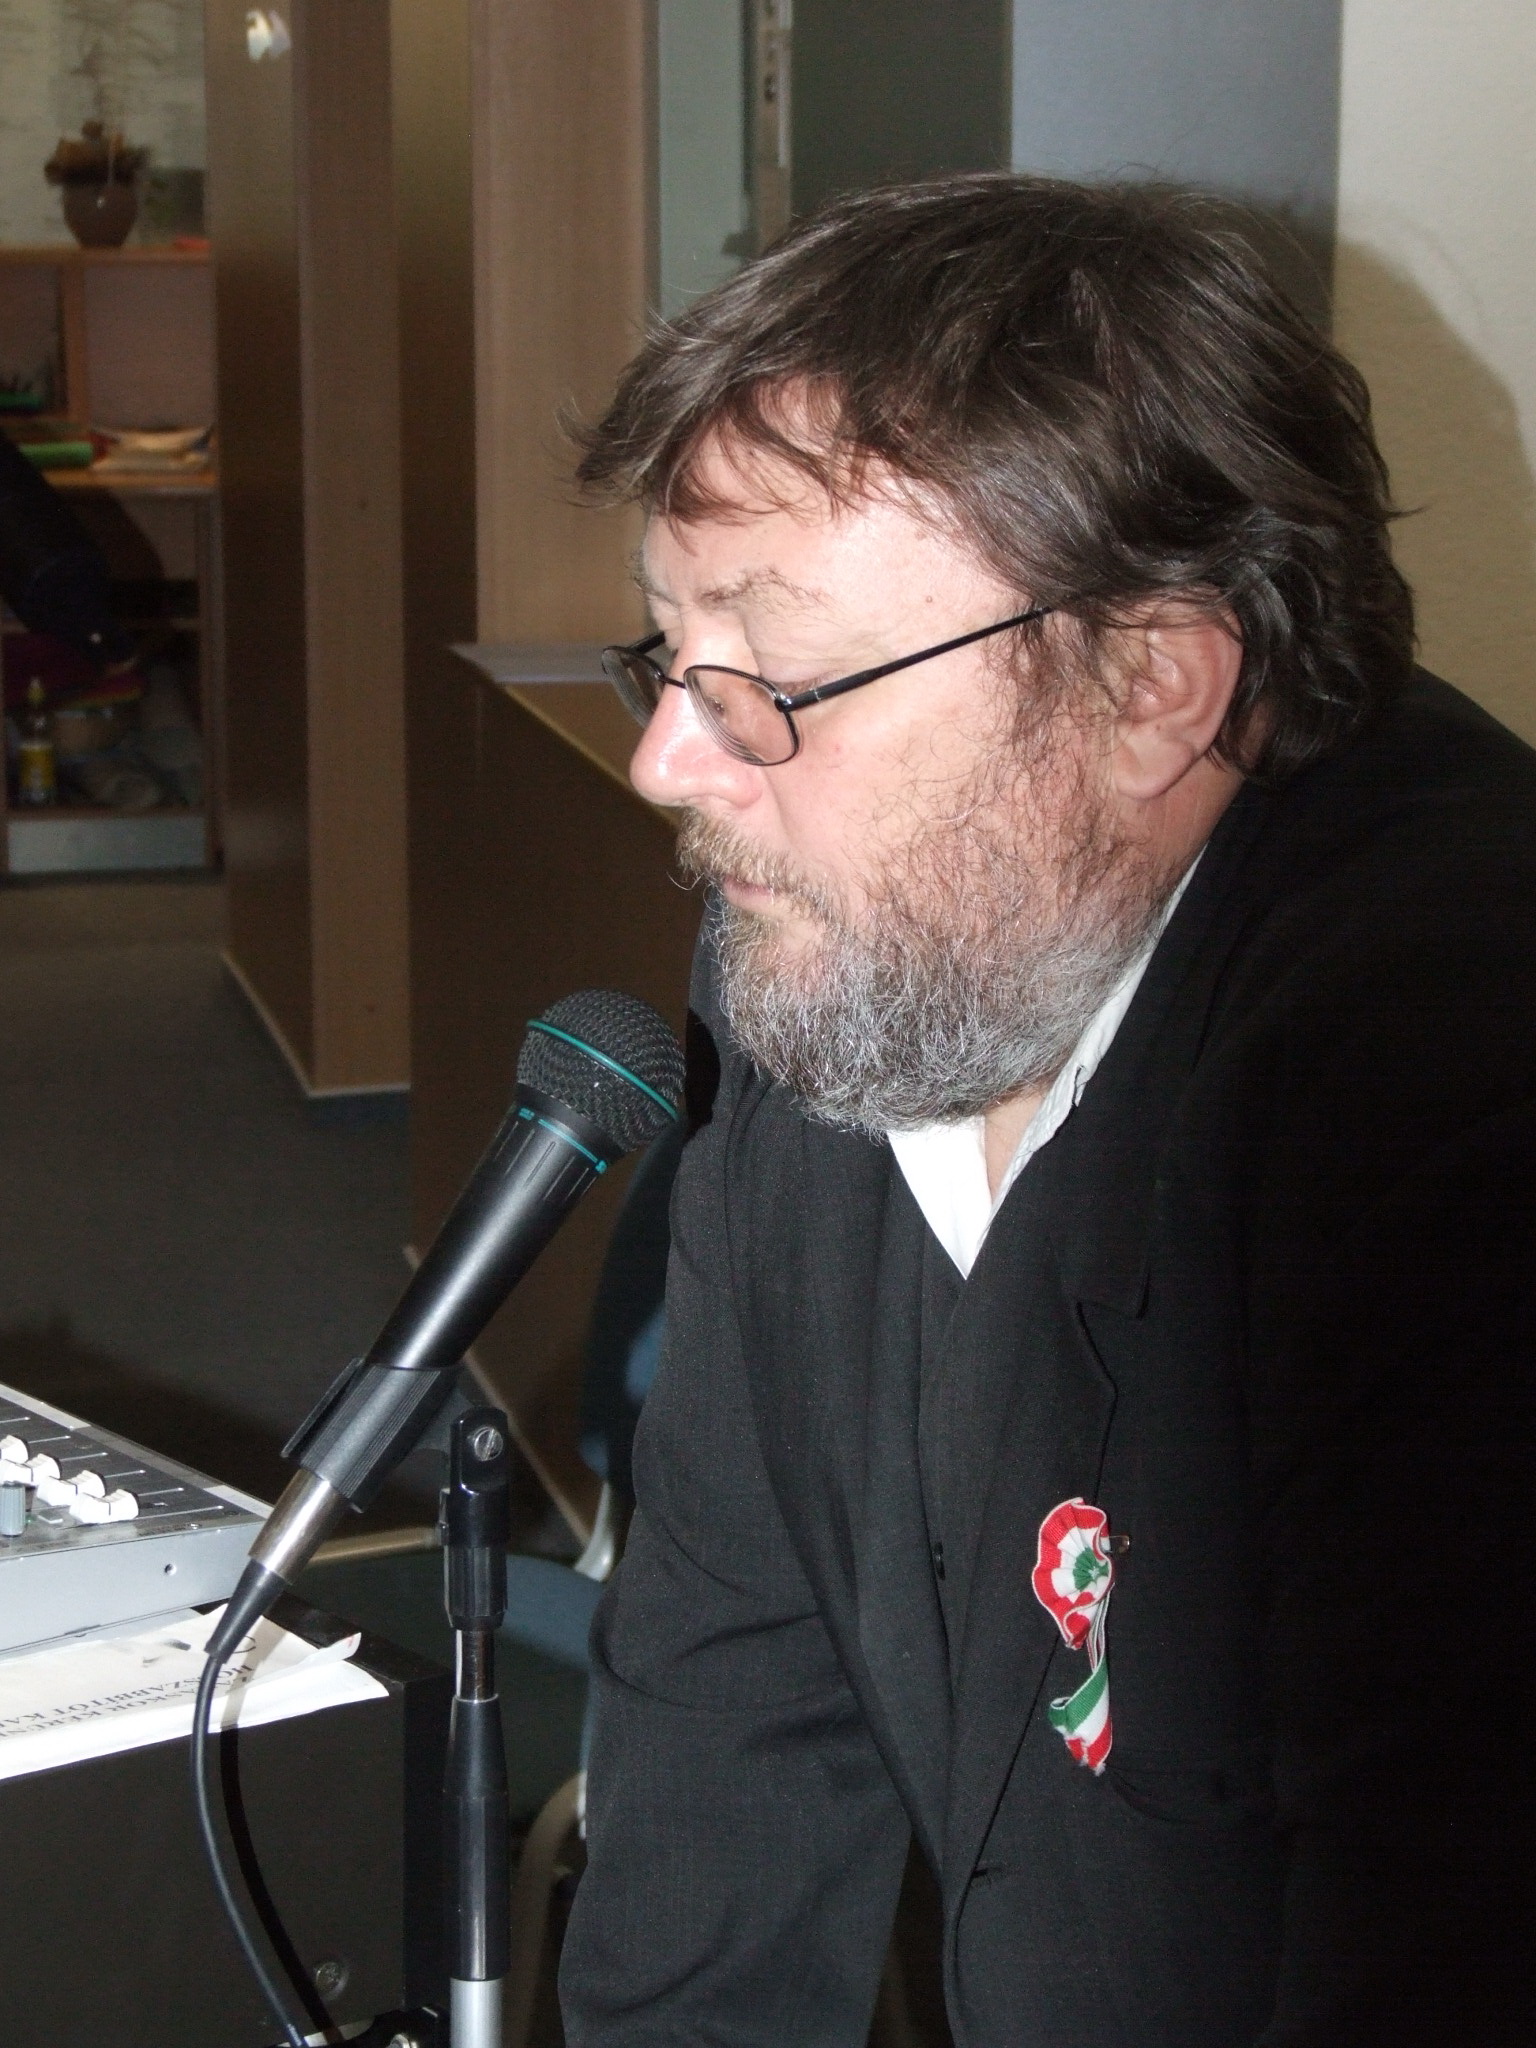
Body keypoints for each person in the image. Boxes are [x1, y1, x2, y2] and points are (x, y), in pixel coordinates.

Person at [558, 175, 1536, 2046]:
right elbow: (729, 1702)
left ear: (1149, 683)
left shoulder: (1449, 1126)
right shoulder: (847, 953)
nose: (669, 761)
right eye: (669, 657)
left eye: (772, 678)